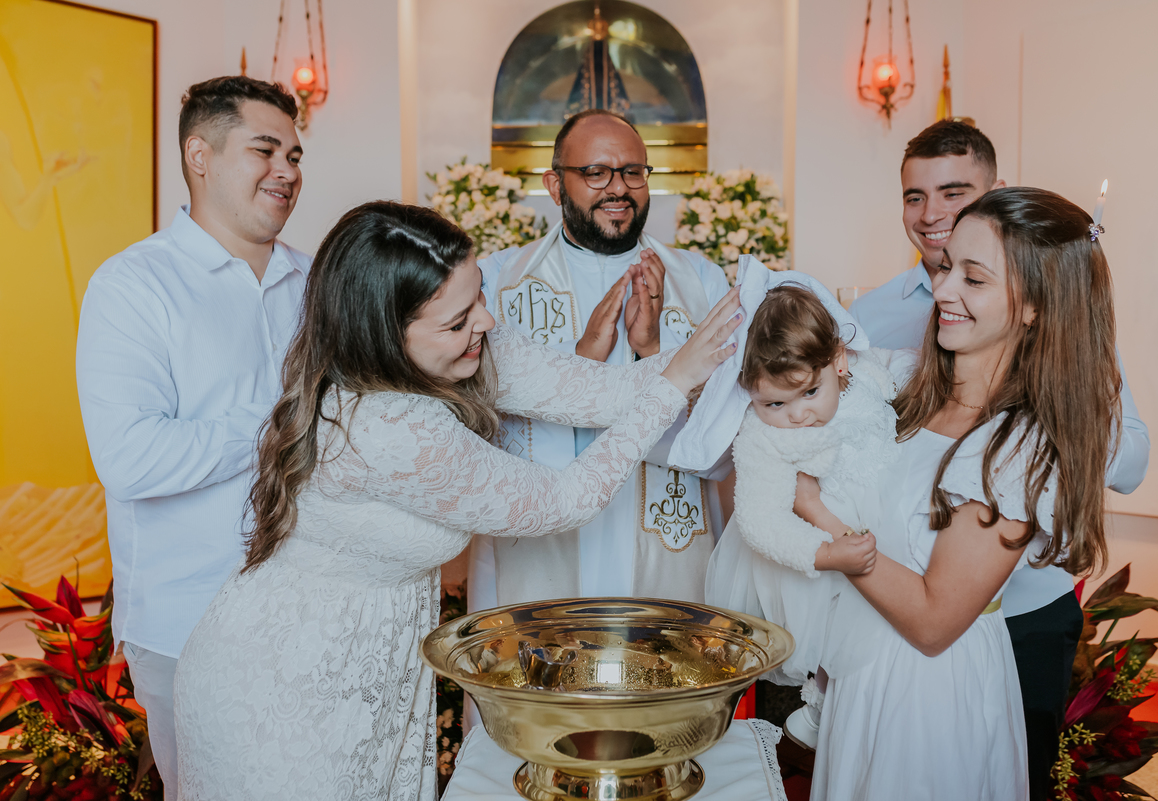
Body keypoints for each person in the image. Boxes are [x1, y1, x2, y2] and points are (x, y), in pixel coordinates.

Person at [172, 201, 742, 800]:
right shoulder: (387, 425)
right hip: (288, 677)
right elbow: (565, 500)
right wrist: (676, 381)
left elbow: (597, 391)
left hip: (375, 656)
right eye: (457, 320)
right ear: (385, 336)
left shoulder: (466, 344)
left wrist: (702, 356)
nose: (487, 322)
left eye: (479, 297)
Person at [849, 120, 1149, 798]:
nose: (943, 289)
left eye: (952, 192)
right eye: (915, 196)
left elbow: (1129, 457)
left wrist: (1058, 428)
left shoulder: (1019, 441)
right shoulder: (890, 337)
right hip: (880, 644)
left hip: (1008, 620)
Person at [75, 76, 309, 800]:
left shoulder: (315, 282)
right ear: (199, 155)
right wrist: (285, 419)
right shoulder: (134, 285)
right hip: (191, 618)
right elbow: (131, 458)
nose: (287, 170)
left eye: (295, 155)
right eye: (265, 149)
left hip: (315, 606)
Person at [471, 108, 732, 611]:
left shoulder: (702, 282)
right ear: (555, 185)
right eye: (596, 172)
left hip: (665, 541)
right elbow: (479, 426)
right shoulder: (496, 281)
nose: (618, 188)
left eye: (633, 171)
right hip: (543, 540)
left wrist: (652, 350)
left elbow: (725, 445)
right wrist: (581, 359)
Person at [703, 278, 904, 750]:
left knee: (886, 626)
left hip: (884, 524)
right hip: (811, 554)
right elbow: (761, 521)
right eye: (774, 402)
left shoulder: (867, 380)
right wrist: (827, 554)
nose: (796, 415)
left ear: (839, 361)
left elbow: (901, 373)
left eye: (810, 392)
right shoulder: (764, 437)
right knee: (838, 624)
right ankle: (821, 702)